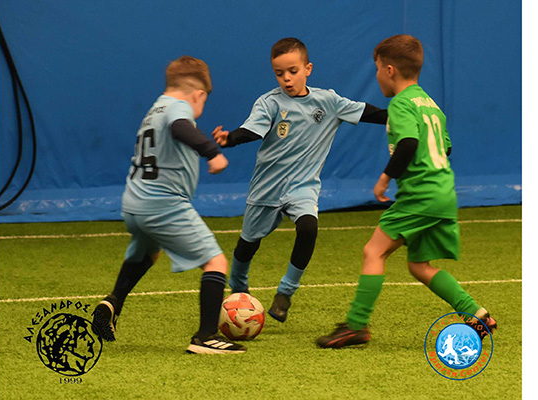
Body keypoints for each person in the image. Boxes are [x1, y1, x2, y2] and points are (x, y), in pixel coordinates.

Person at [316, 34, 497, 349]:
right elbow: (446, 147)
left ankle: (356, 326)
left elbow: (409, 143)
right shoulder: (430, 104)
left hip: (420, 195)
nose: (376, 75)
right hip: (443, 192)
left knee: (374, 252)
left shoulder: (400, 104)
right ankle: (476, 313)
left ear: (389, 70)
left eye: (377, 69)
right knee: (419, 266)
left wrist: (385, 178)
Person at [212, 38, 388, 323]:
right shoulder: (269, 103)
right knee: (247, 245)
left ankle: (285, 293)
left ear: (308, 69)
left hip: (302, 187)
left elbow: (368, 112)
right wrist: (229, 138)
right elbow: (252, 131)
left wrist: (399, 117)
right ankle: (239, 287)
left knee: (308, 228)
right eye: (279, 73)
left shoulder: (328, 101)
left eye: (292, 71)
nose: (286, 78)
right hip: (267, 188)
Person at [92, 56, 246, 354]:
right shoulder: (178, 109)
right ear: (198, 94)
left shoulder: (155, 108)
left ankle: (112, 303)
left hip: (134, 203)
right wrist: (213, 152)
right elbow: (180, 127)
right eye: (204, 101)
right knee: (215, 262)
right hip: (163, 204)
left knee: (148, 252)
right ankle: (206, 337)